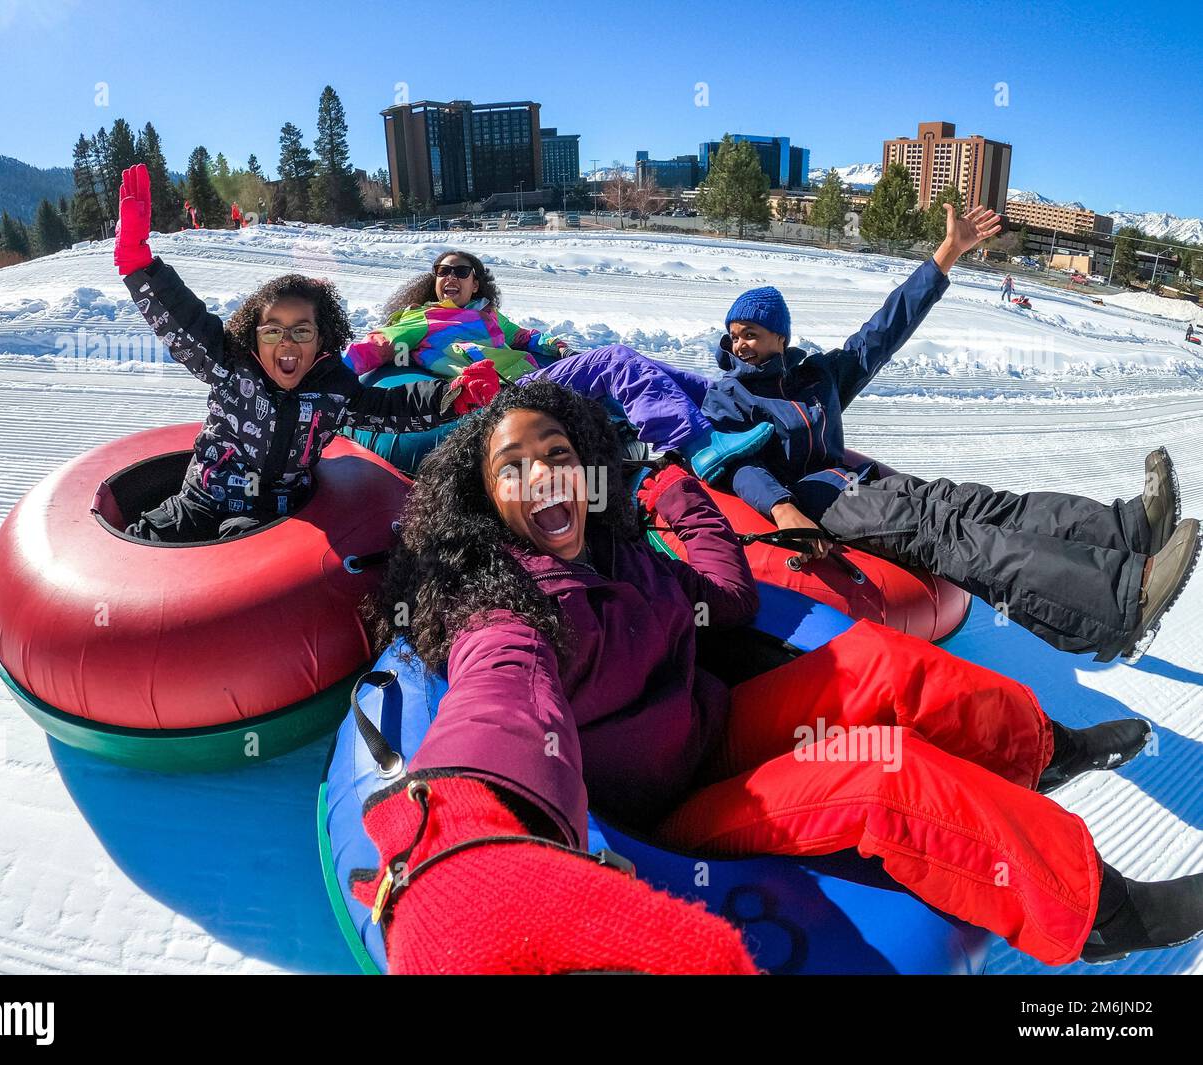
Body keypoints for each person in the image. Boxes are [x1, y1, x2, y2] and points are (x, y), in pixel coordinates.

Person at [352, 379, 1201, 975]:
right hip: (666, 817)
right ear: (486, 497)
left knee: (878, 664)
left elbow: (723, 598)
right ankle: (1101, 912)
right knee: (883, 771)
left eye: (558, 451)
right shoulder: (504, 603)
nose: (543, 473)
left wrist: (681, 502)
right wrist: (453, 832)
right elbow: (500, 699)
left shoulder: (619, 555)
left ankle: (1037, 748)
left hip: (716, 725)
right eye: (513, 466)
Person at [692, 204, 1201, 663]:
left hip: (855, 479)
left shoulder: (817, 375)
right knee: (946, 532)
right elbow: (738, 464)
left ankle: (1128, 529)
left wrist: (948, 252)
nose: (741, 345)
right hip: (815, 496)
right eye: (734, 336)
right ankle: (1119, 600)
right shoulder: (730, 396)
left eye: (752, 334)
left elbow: (884, 329)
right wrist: (784, 509)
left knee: (977, 503)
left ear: (781, 336)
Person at [112, 164, 499, 543]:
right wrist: (139, 264)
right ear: (253, 335)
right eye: (273, 331)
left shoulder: (335, 389)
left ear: (322, 339)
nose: (286, 342)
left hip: (270, 513)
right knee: (144, 542)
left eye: (301, 331)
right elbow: (185, 320)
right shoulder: (230, 365)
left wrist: (452, 396)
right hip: (203, 496)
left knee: (250, 577)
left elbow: (391, 408)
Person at [352, 249, 773, 481]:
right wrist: (326, 374)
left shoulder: (488, 317)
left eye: (460, 272)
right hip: (502, 395)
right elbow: (374, 347)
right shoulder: (421, 318)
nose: (450, 278)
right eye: (442, 272)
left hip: (529, 378)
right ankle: (698, 449)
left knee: (645, 366)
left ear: (475, 282)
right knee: (616, 359)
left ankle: (739, 408)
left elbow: (524, 337)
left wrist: (553, 343)